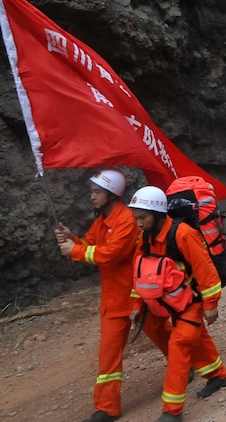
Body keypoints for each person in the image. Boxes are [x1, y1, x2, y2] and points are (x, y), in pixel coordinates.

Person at [55, 169, 172, 422]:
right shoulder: (102, 221)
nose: (92, 197)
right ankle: (107, 408)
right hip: (112, 299)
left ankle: (190, 362)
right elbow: (91, 246)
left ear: (111, 194)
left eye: (97, 192)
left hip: (137, 294)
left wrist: (74, 250)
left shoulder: (127, 220)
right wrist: (72, 239)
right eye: (92, 192)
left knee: (162, 335)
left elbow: (112, 253)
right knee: (108, 354)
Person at [128, 186, 226, 422]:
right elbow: (140, 273)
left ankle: (172, 412)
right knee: (198, 340)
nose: (139, 223)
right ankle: (218, 376)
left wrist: (211, 303)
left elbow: (205, 270)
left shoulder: (183, 234)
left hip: (190, 302)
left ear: (158, 213)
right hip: (171, 303)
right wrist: (136, 305)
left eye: (142, 218)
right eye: (136, 218)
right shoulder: (145, 237)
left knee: (180, 344)